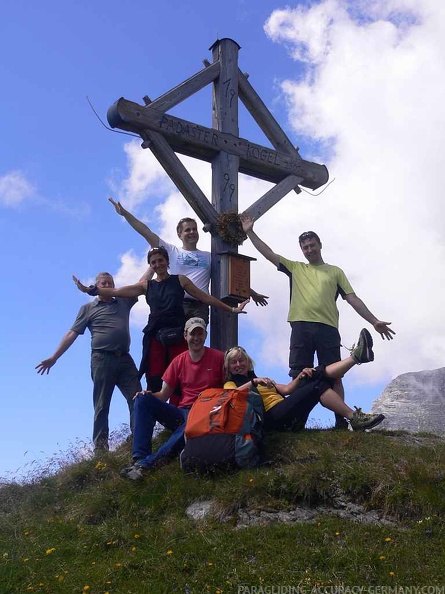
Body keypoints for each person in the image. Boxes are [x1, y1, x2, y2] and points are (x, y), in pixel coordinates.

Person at [240, 215, 395, 429]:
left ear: (320, 245)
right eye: (305, 247)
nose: (309, 249)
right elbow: (268, 254)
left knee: (335, 375)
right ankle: (297, 420)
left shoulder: (335, 272)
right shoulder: (295, 267)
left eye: (312, 245)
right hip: (300, 326)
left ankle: (341, 421)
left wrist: (374, 321)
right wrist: (249, 232)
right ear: (301, 250)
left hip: (328, 328)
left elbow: (352, 298)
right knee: (299, 375)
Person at [73, 247, 248, 393]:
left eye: (161, 260)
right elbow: (117, 292)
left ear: (167, 262)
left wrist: (231, 309)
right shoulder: (147, 286)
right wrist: (92, 290)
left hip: (178, 333)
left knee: (182, 375)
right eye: (153, 262)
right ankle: (156, 419)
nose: (158, 264)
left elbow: (205, 297)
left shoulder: (180, 280)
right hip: (156, 335)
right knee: (154, 377)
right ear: (151, 265)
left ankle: (182, 417)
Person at [109, 198, 268, 323]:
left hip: (200, 306)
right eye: (187, 230)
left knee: (195, 342)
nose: (192, 232)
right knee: (177, 345)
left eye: (194, 229)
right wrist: (125, 214)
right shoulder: (171, 251)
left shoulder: (209, 256)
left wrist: (252, 293)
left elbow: (228, 276)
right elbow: (145, 231)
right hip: (177, 303)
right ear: (179, 234)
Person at [35, 272, 142, 454]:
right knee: (101, 405)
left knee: (138, 398)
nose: (107, 285)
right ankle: (101, 451)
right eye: (103, 283)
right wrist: (54, 357)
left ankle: (139, 439)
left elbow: (141, 284)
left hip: (124, 358)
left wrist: (154, 261)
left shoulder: (123, 301)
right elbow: (72, 333)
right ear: (97, 286)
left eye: (110, 283)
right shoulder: (88, 308)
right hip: (102, 359)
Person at [120, 317, 225, 480]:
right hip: (182, 412)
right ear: (185, 336)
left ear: (205, 335)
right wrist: (147, 395)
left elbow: (229, 387)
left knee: (191, 422)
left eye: (200, 333)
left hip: (206, 413)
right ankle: (139, 459)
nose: (196, 338)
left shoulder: (219, 358)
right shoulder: (179, 361)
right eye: (192, 334)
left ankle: (148, 466)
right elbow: (163, 395)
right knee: (142, 400)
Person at [224, 329, 385, 432]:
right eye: (234, 362)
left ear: (248, 361)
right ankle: (354, 417)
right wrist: (253, 383)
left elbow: (287, 390)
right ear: (229, 367)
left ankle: (356, 357)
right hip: (273, 420)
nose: (238, 364)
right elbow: (231, 396)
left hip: (286, 415)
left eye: (241, 360)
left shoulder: (259, 379)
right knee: (318, 386)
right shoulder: (232, 384)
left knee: (314, 375)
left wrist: (301, 376)